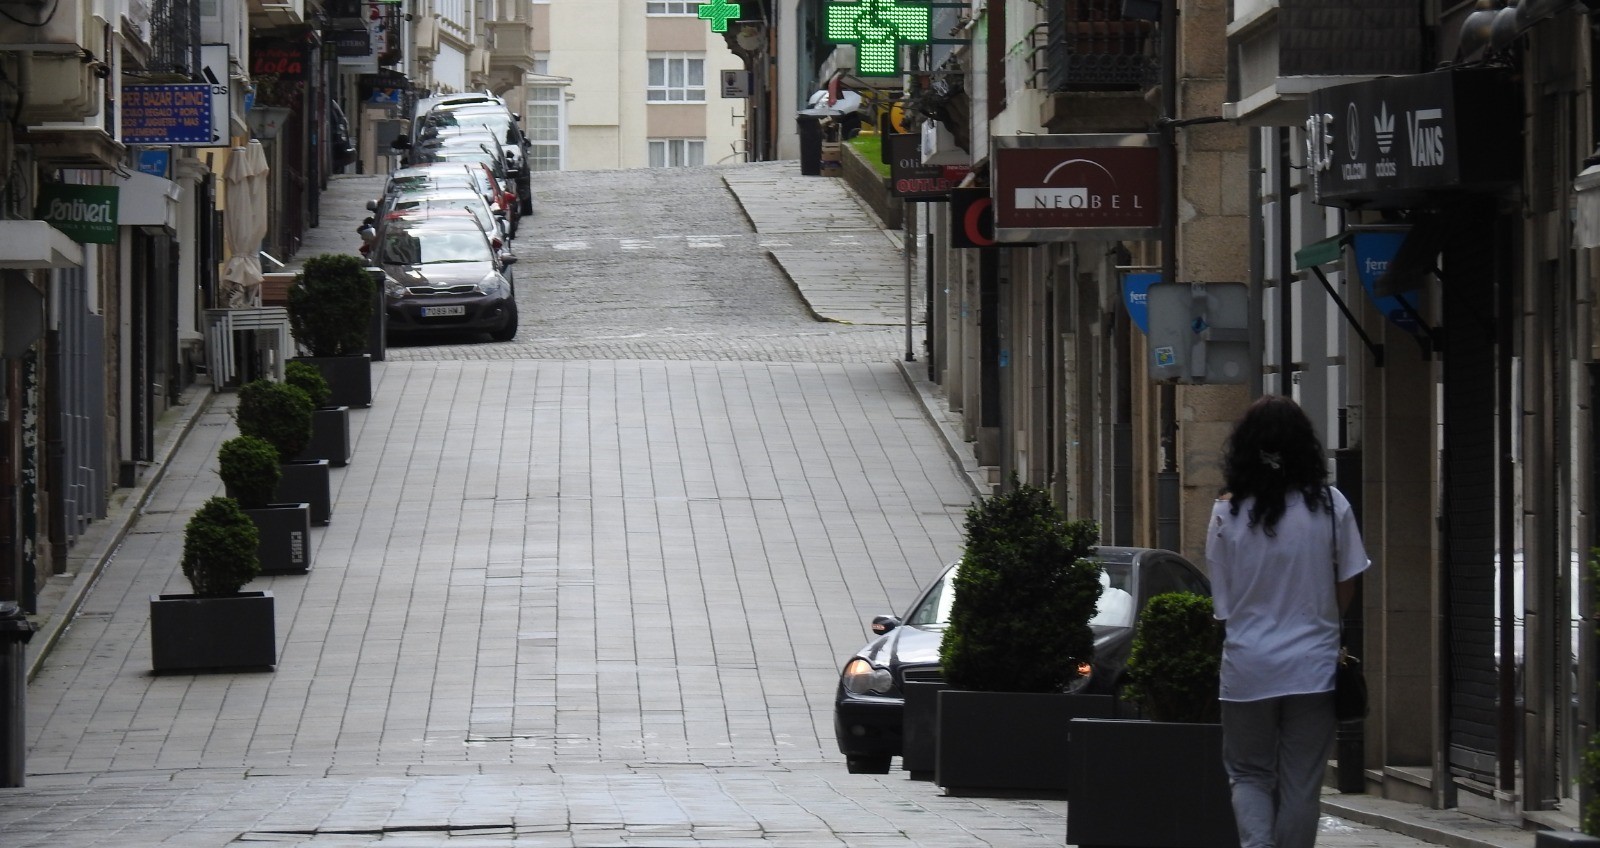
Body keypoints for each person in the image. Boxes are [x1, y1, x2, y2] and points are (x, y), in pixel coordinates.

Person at [1206, 395, 1370, 848]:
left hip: (1247, 667)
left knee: (1248, 773)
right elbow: (1349, 580)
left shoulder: (1225, 513)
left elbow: (1222, 602)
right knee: (1302, 782)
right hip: (1312, 668)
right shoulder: (1332, 506)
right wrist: (1323, 620)